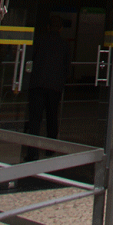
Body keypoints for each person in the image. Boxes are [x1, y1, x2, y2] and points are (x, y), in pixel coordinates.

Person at [25, 15, 71, 158]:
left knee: (34, 120)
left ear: (47, 27)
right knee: (52, 119)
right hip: (54, 87)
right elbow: (67, 69)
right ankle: (50, 151)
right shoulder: (64, 45)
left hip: (37, 85)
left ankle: (32, 152)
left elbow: (29, 61)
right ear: (61, 29)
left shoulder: (39, 41)